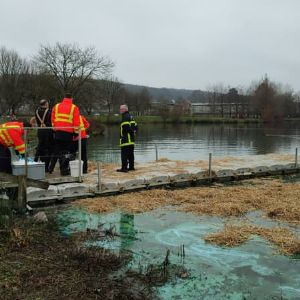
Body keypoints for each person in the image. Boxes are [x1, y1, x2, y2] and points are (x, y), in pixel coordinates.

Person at [49, 93, 80, 176]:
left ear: (64, 98)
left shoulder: (56, 106)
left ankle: (50, 168)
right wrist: (76, 133)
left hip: (58, 132)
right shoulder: (74, 107)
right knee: (66, 152)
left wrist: (54, 128)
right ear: (71, 98)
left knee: (56, 151)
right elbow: (76, 122)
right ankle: (63, 170)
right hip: (68, 133)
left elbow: (52, 119)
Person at [34, 99, 53, 172]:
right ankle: (46, 167)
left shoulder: (36, 111)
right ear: (45, 104)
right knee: (48, 149)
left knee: (39, 147)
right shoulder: (49, 111)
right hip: (47, 131)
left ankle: (35, 162)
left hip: (40, 131)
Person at [117, 104, 137, 172]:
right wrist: (133, 133)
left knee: (124, 154)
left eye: (121, 109)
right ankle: (131, 167)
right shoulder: (131, 117)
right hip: (131, 140)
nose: (120, 110)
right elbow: (136, 126)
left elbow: (126, 127)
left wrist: (130, 133)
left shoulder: (125, 117)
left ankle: (124, 168)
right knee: (131, 154)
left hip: (125, 139)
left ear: (124, 109)